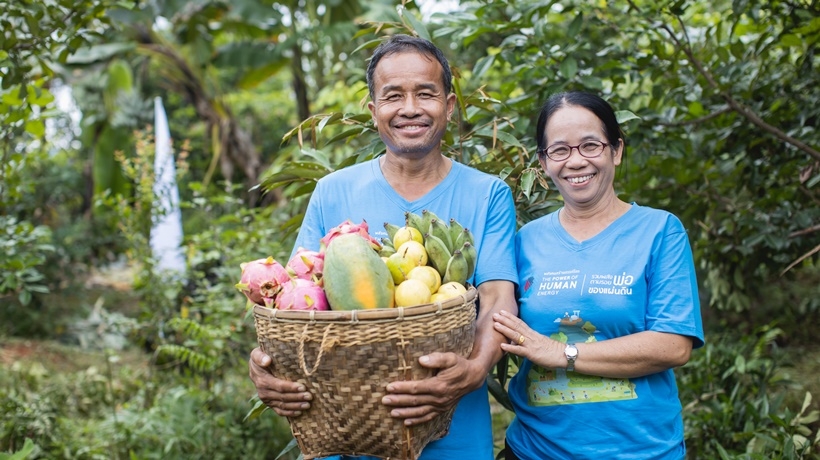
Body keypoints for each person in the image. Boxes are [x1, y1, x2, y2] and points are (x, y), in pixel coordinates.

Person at [248, 34, 518, 459]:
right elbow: (294, 303)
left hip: (453, 439)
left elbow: (499, 300)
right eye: (394, 96)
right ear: (374, 112)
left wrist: (474, 370)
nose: (410, 108)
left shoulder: (488, 195)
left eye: (425, 94)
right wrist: (264, 364)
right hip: (342, 437)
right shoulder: (332, 191)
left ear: (448, 106)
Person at [492, 91, 705, 460]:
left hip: (641, 450)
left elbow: (674, 345)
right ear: (543, 162)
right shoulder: (524, 241)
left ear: (616, 151)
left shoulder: (659, 231)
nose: (575, 161)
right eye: (559, 150)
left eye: (590, 145)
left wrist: (562, 352)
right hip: (534, 450)